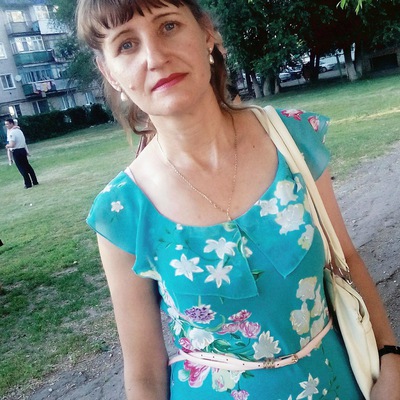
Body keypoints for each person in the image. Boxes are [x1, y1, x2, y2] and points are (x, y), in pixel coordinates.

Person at [78, 1, 400, 399]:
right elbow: (144, 373)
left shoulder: (291, 140)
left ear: (206, 33)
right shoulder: (121, 212)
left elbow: (346, 257)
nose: (155, 57)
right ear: (110, 72)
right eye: (126, 44)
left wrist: (390, 357)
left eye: (168, 26)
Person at [5, 118, 38, 189]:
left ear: (11, 123)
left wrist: (7, 146)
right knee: (27, 166)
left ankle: (28, 184)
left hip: (17, 151)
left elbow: (12, 144)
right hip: (22, 150)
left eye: (7, 124)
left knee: (21, 168)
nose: (6, 126)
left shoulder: (12, 133)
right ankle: (35, 181)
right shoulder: (19, 131)